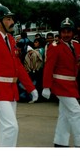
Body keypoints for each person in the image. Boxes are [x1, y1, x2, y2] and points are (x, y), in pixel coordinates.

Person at [0, 3, 38, 147]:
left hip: (11, 90)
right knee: (11, 127)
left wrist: (31, 87)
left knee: (5, 128)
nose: (12, 22)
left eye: (12, 19)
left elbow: (18, 66)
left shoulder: (10, 40)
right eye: (8, 19)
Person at [42, 17, 80, 147]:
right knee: (76, 112)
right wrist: (46, 86)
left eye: (69, 32)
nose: (66, 34)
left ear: (73, 32)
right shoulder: (55, 47)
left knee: (64, 115)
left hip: (72, 85)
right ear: (60, 33)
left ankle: (60, 143)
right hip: (60, 85)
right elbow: (49, 67)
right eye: (63, 32)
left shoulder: (77, 45)